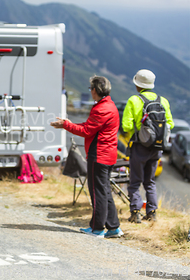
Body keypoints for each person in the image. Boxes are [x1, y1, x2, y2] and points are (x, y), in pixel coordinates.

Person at [51, 76, 123, 238]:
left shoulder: (100, 108)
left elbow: (85, 131)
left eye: (91, 89)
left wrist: (65, 125)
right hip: (108, 154)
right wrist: (68, 123)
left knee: (97, 192)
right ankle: (113, 227)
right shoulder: (109, 106)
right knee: (105, 191)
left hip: (98, 155)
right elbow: (89, 126)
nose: (90, 92)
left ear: (95, 90)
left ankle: (97, 228)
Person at [122, 69, 173, 223]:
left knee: (135, 181)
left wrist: (140, 133)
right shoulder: (163, 101)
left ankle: (136, 212)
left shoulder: (133, 100)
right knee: (150, 181)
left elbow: (125, 126)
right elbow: (170, 123)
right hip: (157, 148)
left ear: (137, 84)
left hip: (139, 147)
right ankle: (152, 213)